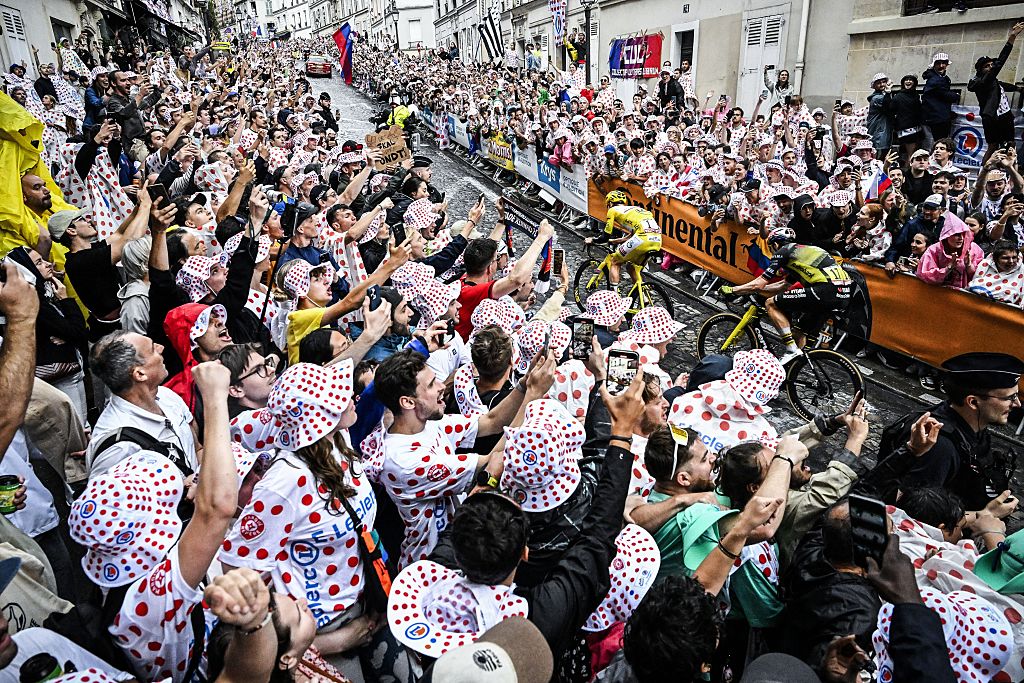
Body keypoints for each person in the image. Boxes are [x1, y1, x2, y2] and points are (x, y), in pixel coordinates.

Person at [883, 352, 1024, 512]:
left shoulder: (973, 426)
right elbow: (911, 515)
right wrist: (986, 515)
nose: (1017, 404)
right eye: (1009, 398)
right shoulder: (939, 447)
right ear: (973, 402)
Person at [720, 229, 852, 365]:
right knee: (799, 332)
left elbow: (759, 284)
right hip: (842, 293)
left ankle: (791, 349)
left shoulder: (784, 251)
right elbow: (782, 285)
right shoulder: (800, 255)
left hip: (826, 290)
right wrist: (757, 291)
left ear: (776, 244)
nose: (772, 253)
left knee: (771, 304)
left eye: (771, 248)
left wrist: (734, 290)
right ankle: (791, 371)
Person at [968, 22, 1024, 162]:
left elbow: (1000, 85)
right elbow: (1001, 60)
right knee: (993, 147)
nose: (991, 67)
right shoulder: (983, 81)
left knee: (1010, 145)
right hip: (993, 118)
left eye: (991, 65)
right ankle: (984, 173)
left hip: (1004, 115)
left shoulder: (992, 81)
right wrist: (1012, 37)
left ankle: (1008, 173)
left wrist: (1017, 88)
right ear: (981, 70)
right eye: (987, 66)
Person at [589, 190, 663, 292]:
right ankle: (643, 297)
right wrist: (616, 241)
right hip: (657, 240)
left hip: (642, 238)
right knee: (631, 267)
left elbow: (604, 237)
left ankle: (614, 297)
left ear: (610, 203)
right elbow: (633, 234)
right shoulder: (637, 209)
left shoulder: (613, 210)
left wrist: (592, 240)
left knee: (614, 261)